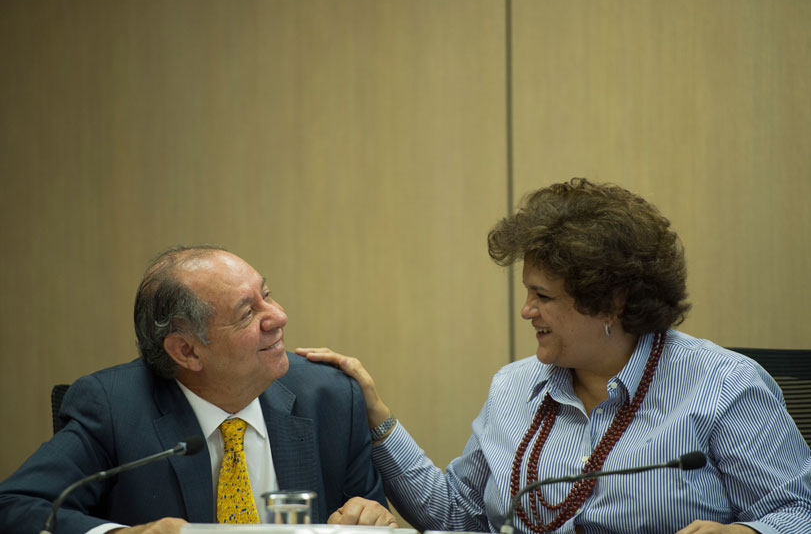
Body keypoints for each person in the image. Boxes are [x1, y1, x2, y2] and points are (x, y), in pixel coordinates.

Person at [298, 179, 811, 534]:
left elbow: (799, 512)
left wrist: (746, 532)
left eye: (543, 296)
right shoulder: (513, 387)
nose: (526, 311)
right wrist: (377, 417)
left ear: (612, 302)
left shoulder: (725, 385)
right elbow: (457, 516)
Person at [0, 246, 396, 534]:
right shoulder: (114, 408)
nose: (278, 316)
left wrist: (374, 519)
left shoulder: (329, 397)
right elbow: (15, 505)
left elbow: (369, 515)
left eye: (267, 295)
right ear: (187, 351)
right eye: (248, 312)